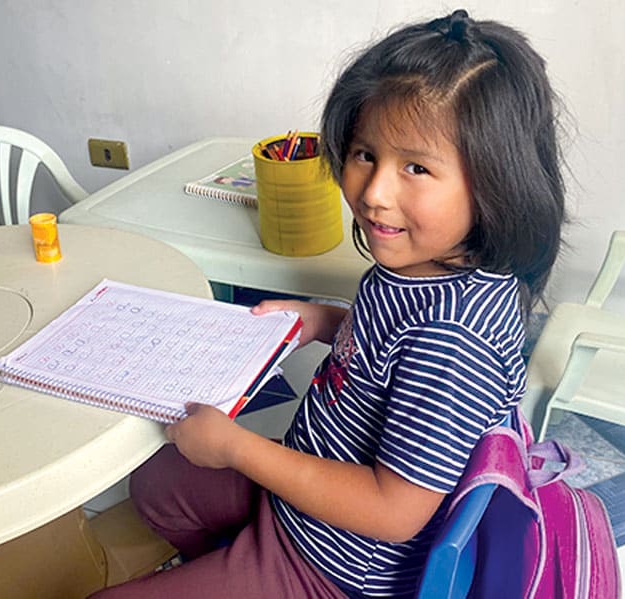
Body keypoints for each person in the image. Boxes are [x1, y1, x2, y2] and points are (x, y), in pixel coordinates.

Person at [92, 9, 566, 598]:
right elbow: (388, 351)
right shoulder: (422, 266)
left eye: (416, 167)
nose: (374, 192)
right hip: (302, 502)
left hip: (336, 566)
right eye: (365, 154)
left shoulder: (454, 340)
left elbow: (394, 511)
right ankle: (231, 564)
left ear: (498, 183)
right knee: (160, 484)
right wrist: (322, 321)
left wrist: (237, 447)